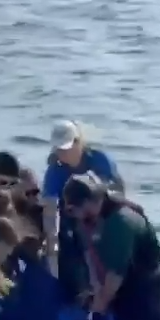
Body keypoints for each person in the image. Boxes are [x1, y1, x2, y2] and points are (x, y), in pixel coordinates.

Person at [61, 174, 160, 320]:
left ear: (88, 203)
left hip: (142, 289)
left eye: (71, 210)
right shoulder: (88, 217)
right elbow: (89, 251)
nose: (70, 214)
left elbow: (114, 279)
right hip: (119, 281)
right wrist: (93, 288)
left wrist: (97, 308)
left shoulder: (121, 222)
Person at [41, 120, 124, 298]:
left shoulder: (100, 160)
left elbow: (118, 193)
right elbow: (50, 206)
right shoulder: (55, 170)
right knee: (68, 250)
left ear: (78, 142)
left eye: (66, 148)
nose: (62, 154)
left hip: (102, 212)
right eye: (58, 150)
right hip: (72, 217)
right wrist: (51, 237)